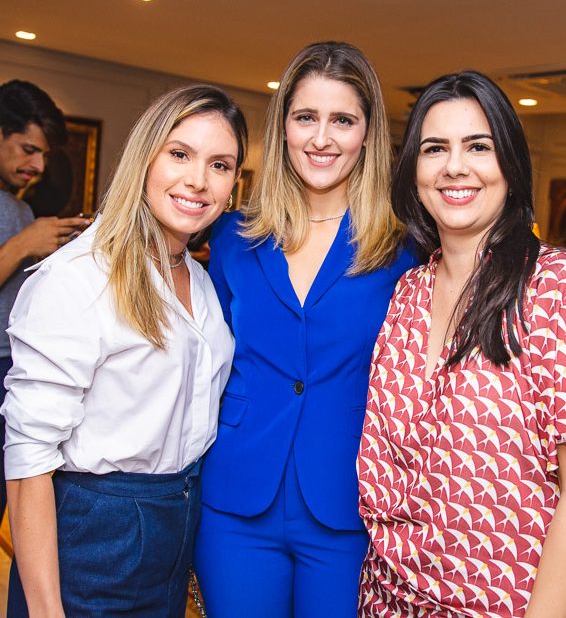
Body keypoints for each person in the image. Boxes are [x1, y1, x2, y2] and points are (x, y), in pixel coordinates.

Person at [357, 71, 566, 618]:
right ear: (412, 169)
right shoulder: (408, 293)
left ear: (509, 165)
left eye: (478, 147)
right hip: (388, 597)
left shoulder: (559, 286)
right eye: (434, 148)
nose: (454, 167)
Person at [1, 84, 247, 617]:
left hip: (176, 525)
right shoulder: (80, 278)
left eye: (220, 164)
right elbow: (27, 464)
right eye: (179, 154)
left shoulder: (201, 282)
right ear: (145, 157)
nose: (198, 180)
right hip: (95, 533)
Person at [194, 41, 418, 617]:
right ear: (284, 127)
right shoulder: (232, 237)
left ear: (367, 134)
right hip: (236, 499)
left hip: (351, 505)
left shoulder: (406, 249)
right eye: (305, 118)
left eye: (342, 119)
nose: (322, 138)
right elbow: (204, 358)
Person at [0, 80, 90, 516]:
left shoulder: (15, 205)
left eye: (44, 155)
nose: (37, 164)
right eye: (27, 149)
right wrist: (22, 244)